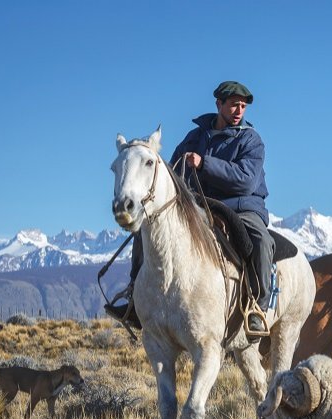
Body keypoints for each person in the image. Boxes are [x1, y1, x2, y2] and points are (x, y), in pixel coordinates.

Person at [106, 80, 275, 336]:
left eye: (243, 106)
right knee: (145, 229)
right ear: (219, 104)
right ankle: (135, 297)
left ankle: (257, 307)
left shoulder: (251, 140)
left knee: (260, 239)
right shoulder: (194, 137)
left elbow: (246, 180)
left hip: (241, 206)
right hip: (199, 205)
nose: (239, 111)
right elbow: (172, 175)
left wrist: (205, 163)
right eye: (233, 105)